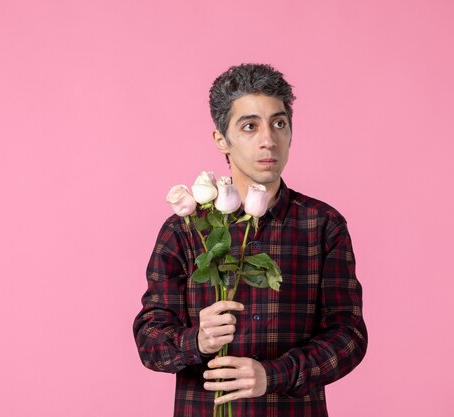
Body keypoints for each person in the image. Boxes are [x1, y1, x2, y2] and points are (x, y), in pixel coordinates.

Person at [133, 63, 367, 417]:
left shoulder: (323, 225)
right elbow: (149, 340)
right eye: (249, 126)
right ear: (221, 140)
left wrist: (272, 375)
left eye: (278, 123)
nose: (268, 140)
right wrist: (195, 340)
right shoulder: (184, 229)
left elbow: (348, 335)